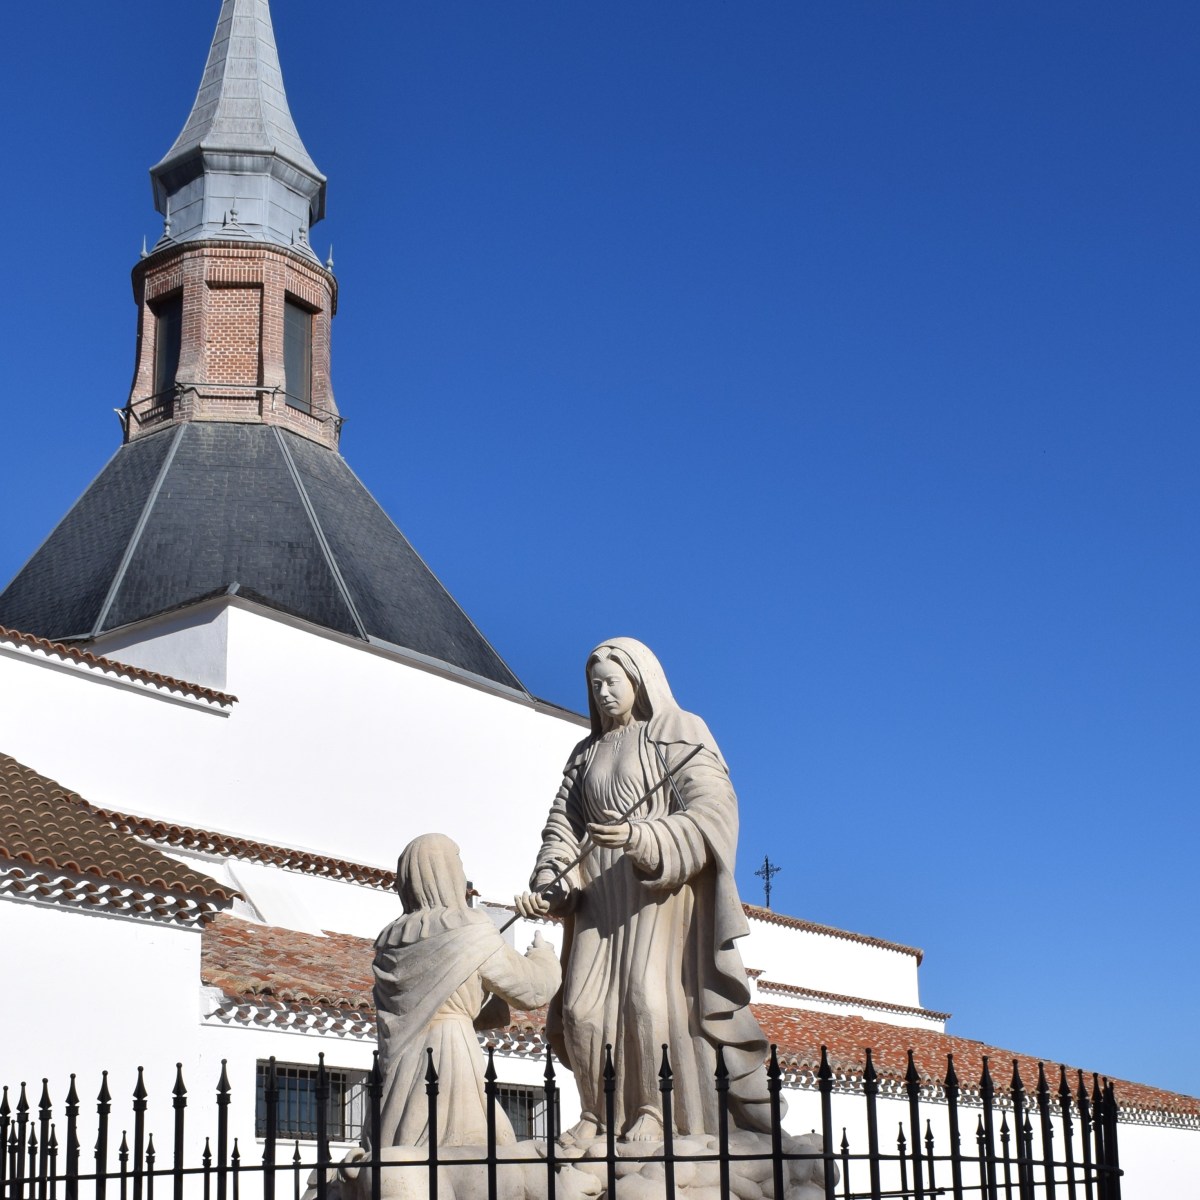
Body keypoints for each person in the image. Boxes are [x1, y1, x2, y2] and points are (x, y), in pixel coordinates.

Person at [515, 638, 775, 1145]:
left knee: (646, 999)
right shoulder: (585, 753)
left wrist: (644, 836)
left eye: (613, 681)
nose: (605, 692)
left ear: (639, 680)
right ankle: (598, 1114)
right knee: (580, 1010)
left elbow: (714, 810)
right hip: (597, 894)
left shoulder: (677, 731)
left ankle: (656, 1112)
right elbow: (562, 829)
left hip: (657, 886)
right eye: (596, 686)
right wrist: (552, 881)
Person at [374, 833, 561, 1148]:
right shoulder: (470, 927)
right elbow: (532, 990)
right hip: (451, 1057)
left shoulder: (390, 941)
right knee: (472, 1157)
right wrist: (543, 954)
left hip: (399, 1075)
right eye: (458, 863)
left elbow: (452, 995)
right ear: (448, 872)